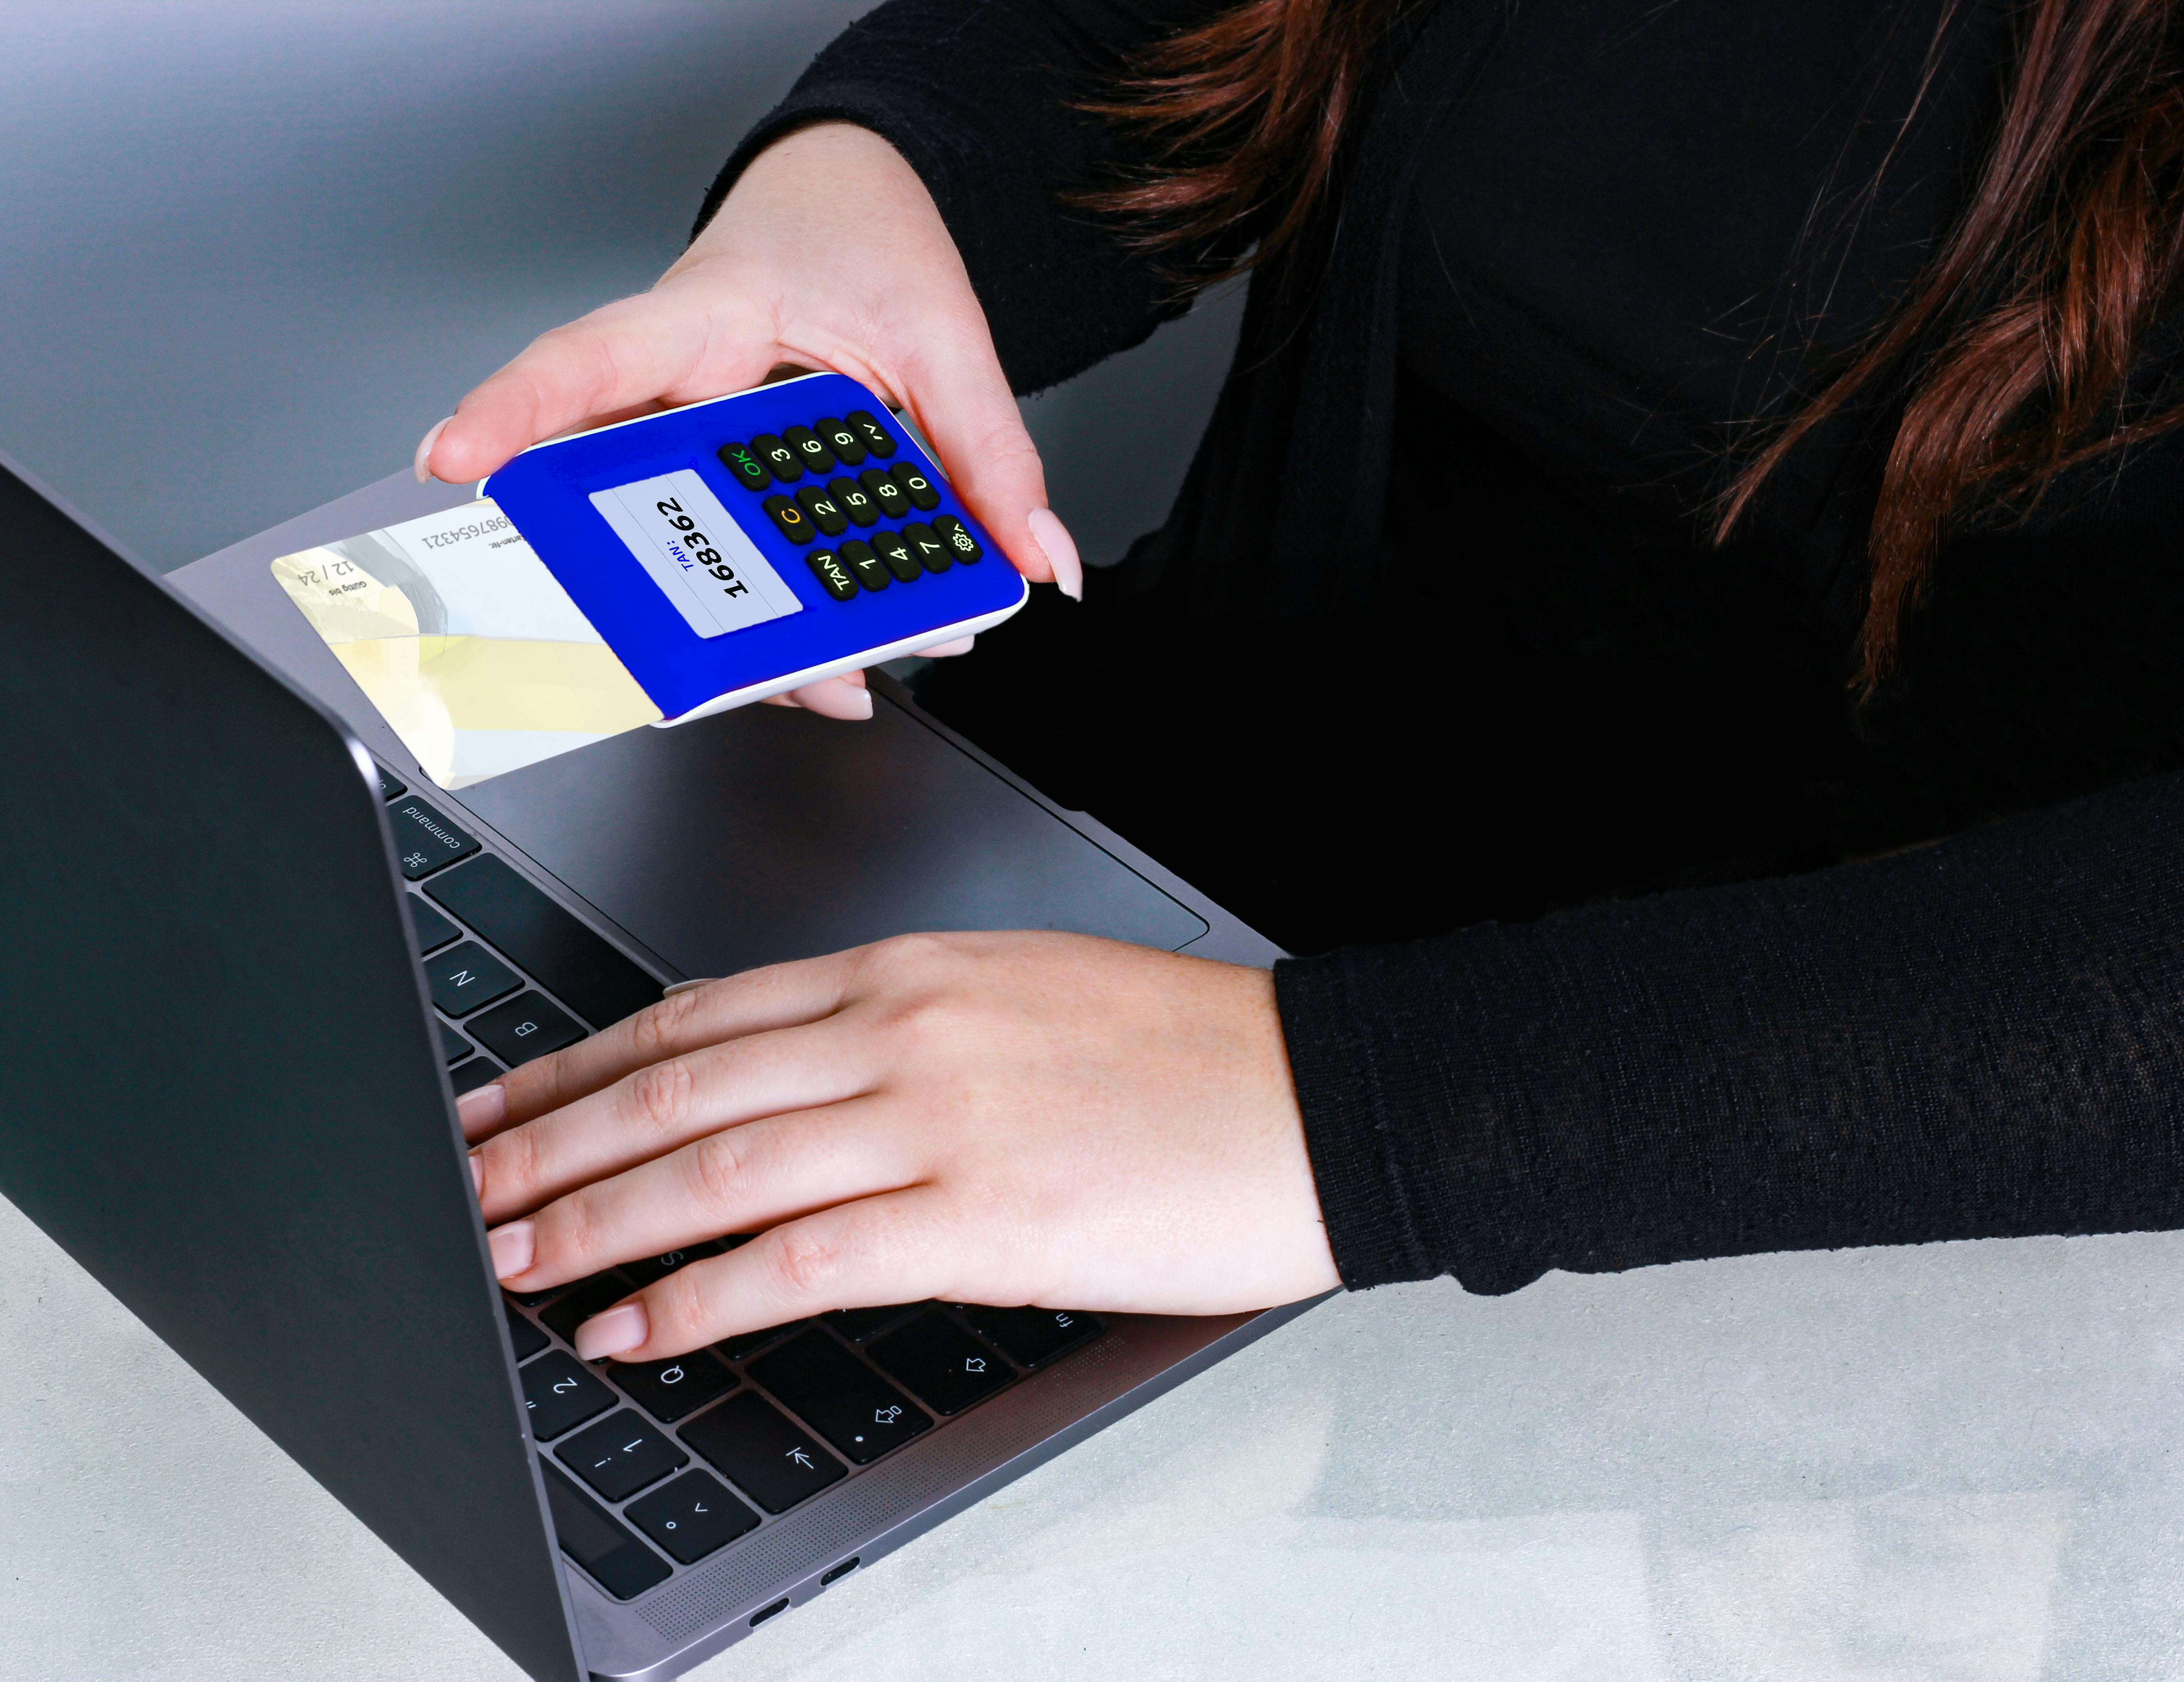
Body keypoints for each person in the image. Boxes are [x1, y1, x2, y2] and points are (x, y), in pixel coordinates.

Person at [414, 0, 2184, 1366]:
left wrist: (1323, 1109)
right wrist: (864, 200)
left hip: (1774, 1223)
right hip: (1116, 931)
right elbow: (1152, 43)